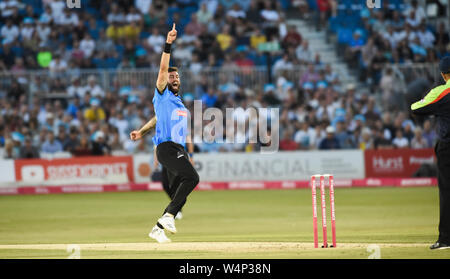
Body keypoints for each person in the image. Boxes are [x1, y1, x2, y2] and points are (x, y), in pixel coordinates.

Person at [129, 24, 198, 243]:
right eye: (171, 76)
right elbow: (162, 70)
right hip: (166, 147)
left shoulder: (176, 103)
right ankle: (168, 216)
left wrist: (142, 131)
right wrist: (168, 43)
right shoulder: (162, 93)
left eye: (177, 76)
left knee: (181, 191)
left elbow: (157, 119)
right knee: (192, 177)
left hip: (177, 148)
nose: (174, 78)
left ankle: (158, 228)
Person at [411, 56, 450, 250]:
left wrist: (434, 95)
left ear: (443, 74)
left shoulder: (442, 91)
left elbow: (416, 108)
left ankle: (446, 239)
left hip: (448, 148)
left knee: (447, 191)